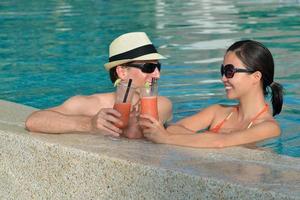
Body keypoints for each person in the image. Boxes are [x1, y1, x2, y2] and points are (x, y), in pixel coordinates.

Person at [25, 32, 173, 139]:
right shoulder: (91, 104)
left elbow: (135, 134)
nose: (157, 75)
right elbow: (34, 121)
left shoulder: (162, 104)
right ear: (122, 71)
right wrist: (89, 124)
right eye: (148, 68)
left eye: (158, 67)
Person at [140, 40, 283, 148]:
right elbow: (174, 128)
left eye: (229, 71)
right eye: (223, 71)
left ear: (256, 77)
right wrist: (206, 139)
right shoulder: (218, 112)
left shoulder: (269, 127)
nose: (223, 78)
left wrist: (166, 138)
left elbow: (220, 143)